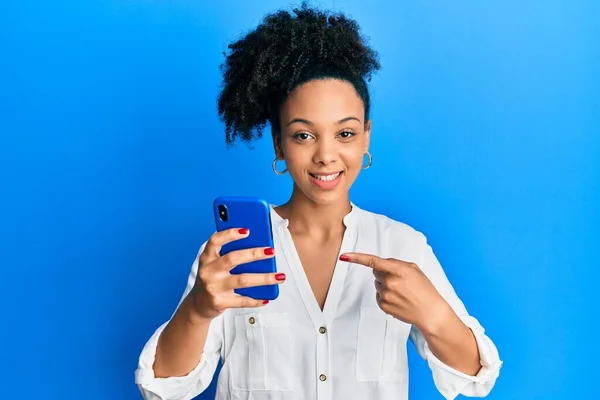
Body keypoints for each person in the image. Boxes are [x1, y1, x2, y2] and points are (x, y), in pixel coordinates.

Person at [134, 4, 502, 400]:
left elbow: (475, 378)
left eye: (344, 134)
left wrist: (433, 315)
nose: (326, 155)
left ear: (366, 138)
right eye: (303, 135)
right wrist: (198, 309)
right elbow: (163, 388)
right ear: (278, 141)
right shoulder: (231, 253)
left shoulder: (402, 245)